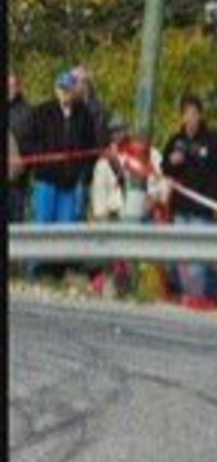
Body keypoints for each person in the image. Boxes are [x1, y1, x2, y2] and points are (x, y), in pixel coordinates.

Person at [21, 71, 98, 278]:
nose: (65, 94)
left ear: (75, 91)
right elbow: (27, 143)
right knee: (43, 225)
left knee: (65, 227)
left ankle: (57, 272)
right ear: (56, 90)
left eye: (69, 90)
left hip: (70, 182)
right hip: (46, 179)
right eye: (62, 89)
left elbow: (91, 147)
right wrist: (44, 155)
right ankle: (35, 270)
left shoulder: (84, 115)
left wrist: (82, 169)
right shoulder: (42, 112)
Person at [161, 95, 217, 309]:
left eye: (194, 113)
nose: (190, 118)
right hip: (181, 207)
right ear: (181, 117)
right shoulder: (175, 140)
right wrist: (172, 162)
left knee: (199, 257)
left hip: (202, 208)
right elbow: (165, 168)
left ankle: (200, 297)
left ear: (200, 115)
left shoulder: (212, 141)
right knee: (181, 257)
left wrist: (211, 198)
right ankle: (191, 294)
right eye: (186, 114)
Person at [89, 117, 135, 297]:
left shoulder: (137, 154)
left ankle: (127, 285)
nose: (117, 134)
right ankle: (109, 284)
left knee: (128, 256)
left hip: (129, 213)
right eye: (114, 131)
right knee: (108, 254)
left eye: (120, 130)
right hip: (110, 213)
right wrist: (101, 213)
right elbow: (98, 190)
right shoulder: (104, 160)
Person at [70, 65, 110, 221]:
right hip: (68, 169)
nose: (72, 86)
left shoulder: (97, 109)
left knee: (80, 212)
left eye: (76, 82)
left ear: (85, 84)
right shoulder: (68, 105)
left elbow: (99, 139)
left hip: (86, 169)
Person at [8, 73, 33, 222]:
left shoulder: (27, 112)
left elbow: (31, 143)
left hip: (18, 181)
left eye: (12, 86)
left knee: (16, 224)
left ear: (18, 88)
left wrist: (24, 165)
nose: (9, 89)